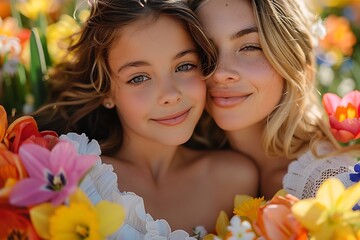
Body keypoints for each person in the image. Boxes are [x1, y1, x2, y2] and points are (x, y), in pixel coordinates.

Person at [33, 0, 259, 238]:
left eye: (184, 66)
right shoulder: (76, 177)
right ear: (106, 91)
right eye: (139, 78)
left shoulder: (235, 179)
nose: (170, 95)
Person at [187, 0, 359, 200]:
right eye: (203, 50)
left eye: (250, 47)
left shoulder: (328, 185)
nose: (219, 73)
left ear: (290, 56)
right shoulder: (187, 165)